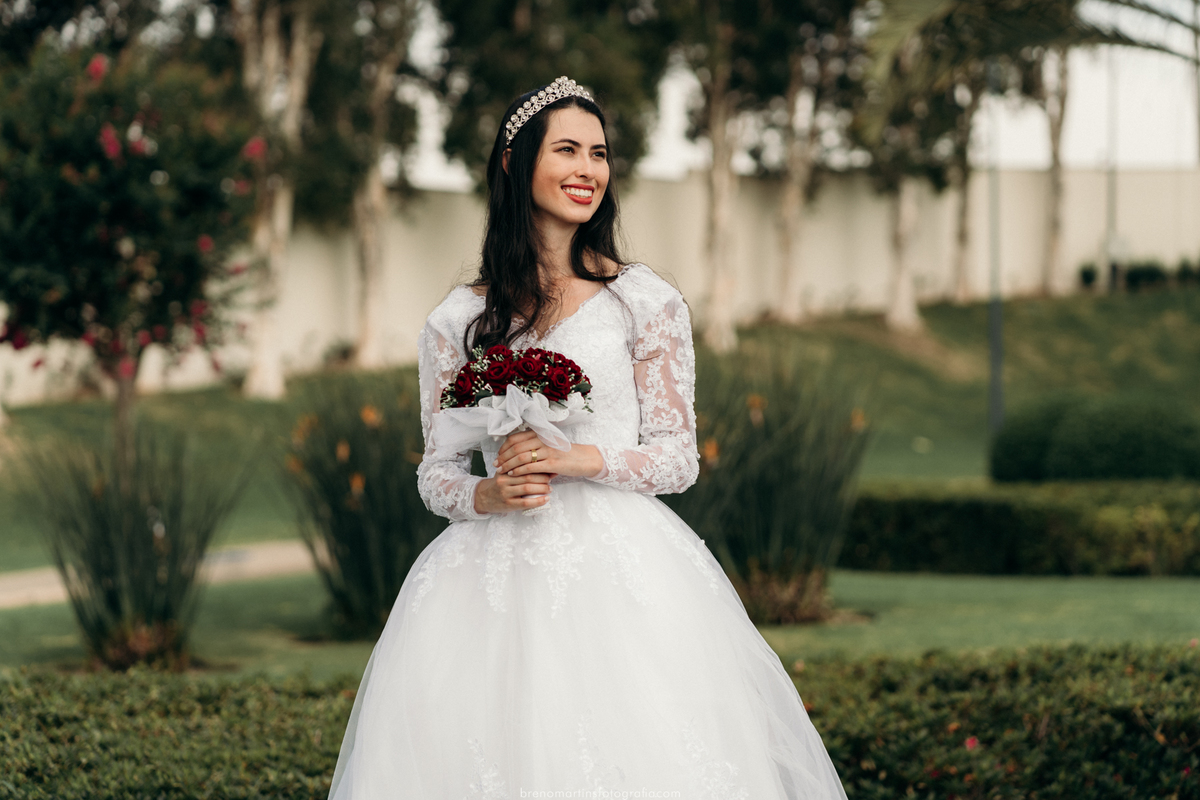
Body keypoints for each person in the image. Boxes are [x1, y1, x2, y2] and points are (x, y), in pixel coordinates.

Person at [327, 76, 847, 800]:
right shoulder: (458, 321)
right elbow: (436, 471)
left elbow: (676, 458)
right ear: (515, 163)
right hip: (487, 586)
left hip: (624, 573)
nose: (588, 170)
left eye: (599, 154)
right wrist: (487, 492)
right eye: (567, 150)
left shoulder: (644, 303)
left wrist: (577, 458)